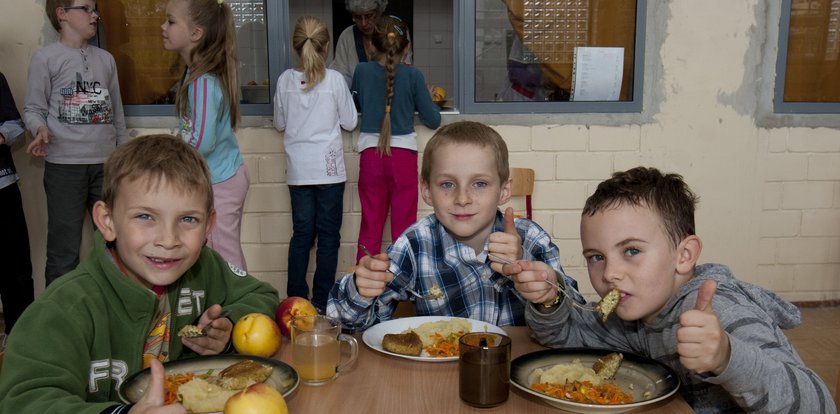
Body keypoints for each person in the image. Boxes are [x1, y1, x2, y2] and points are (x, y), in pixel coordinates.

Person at [0, 134, 280, 413]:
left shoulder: (205, 267)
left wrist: (229, 327)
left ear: (209, 226)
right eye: (145, 216)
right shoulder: (63, 310)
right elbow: (23, 400)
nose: (168, 240)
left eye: (188, 219)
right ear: (107, 222)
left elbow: (262, 294)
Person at [522, 167, 835, 413]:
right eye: (597, 257)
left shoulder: (723, 312)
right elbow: (565, 335)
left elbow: (819, 405)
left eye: (631, 251)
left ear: (684, 256)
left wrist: (727, 356)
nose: (610, 273)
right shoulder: (632, 311)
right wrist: (550, 300)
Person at [327, 121, 582, 331]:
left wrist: (545, 289)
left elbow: (578, 320)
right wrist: (361, 290)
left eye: (479, 184)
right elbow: (345, 324)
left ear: (504, 190)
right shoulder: (416, 244)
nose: (462, 199)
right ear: (426, 190)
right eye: (447, 184)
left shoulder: (531, 238)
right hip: (439, 377)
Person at [24, 0, 127, 286]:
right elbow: (33, 109)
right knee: (63, 253)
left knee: (114, 247)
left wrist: (124, 157)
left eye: (95, 9)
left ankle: (111, 315)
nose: (95, 15)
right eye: (86, 9)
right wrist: (40, 128)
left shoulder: (106, 60)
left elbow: (117, 115)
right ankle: (61, 325)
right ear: (62, 14)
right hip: (64, 169)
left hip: (107, 167)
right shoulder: (45, 59)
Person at [273, 16, 358, 312]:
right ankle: (322, 303)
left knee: (301, 236)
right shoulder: (334, 80)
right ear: (327, 47)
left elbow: (279, 123)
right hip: (329, 171)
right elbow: (350, 122)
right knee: (329, 238)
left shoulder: (285, 80)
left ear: (297, 46)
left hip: (299, 172)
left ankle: (295, 304)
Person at [162, 0, 249, 271]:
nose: (163, 27)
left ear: (195, 34)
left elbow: (201, 141)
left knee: (226, 258)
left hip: (221, 182)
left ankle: (244, 308)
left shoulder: (202, 80)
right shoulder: (196, 73)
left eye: (171, 21)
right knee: (212, 253)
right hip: (219, 178)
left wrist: (171, 153)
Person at [352, 14, 441, 264]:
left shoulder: (361, 71)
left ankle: (363, 289)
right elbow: (433, 120)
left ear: (371, 44)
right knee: (404, 229)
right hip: (402, 157)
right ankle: (403, 291)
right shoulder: (414, 76)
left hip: (371, 156)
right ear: (407, 48)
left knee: (370, 226)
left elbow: (354, 106)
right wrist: (426, 95)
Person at [0, 72, 35, 334]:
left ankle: (21, 337)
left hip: (3, 187)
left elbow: (15, 127)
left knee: (16, 271)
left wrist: (1, 135)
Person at [331, 0, 412, 87]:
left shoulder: (396, 31)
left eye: (368, 16)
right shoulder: (347, 36)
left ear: (378, 12)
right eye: (357, 17)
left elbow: (405, 70)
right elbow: (339, 76)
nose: (364, 23)